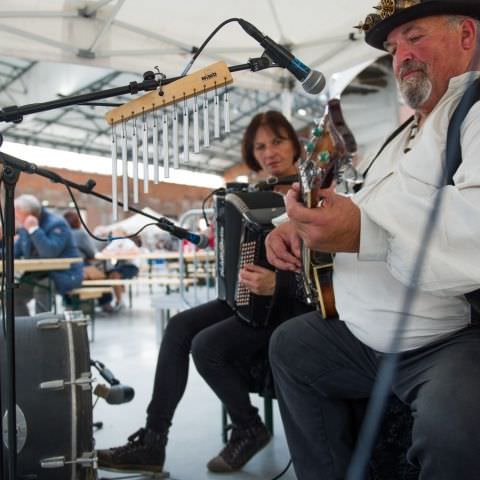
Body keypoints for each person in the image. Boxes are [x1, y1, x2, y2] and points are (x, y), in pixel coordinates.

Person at [264, 2, 480, 479]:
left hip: (445, 341)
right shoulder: (407, 128)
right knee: (291, 347)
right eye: (392, 47)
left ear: (466, 35)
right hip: (363, 338)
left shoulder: (475, 110)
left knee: (456, 428)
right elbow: (364, 196)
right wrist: (294, 223)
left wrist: (364, 231)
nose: (401, 55)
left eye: (415, 37)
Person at [97, 111, 312, 475]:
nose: (269, 152)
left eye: (277, 141)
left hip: (288, 307)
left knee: (207, 345)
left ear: (295, 144)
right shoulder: (251, 197)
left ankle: (247, 427)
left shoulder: (311, 192)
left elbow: (331, 267)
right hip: (246, 301)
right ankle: (153, 442)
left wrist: (280, 284)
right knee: (180, 327)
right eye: (260, 146)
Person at [13, 194, 83, 315]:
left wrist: (34, 230)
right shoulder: (25, 227)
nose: (15, 217)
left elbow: (49, 253)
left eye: (17, 213)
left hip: (64, 275)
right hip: (38, 275)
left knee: (42, 287)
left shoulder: (58, 224)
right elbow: (15, 251)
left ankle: (42, 328)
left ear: (29, 214)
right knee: (12, 294)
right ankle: (23, 329)